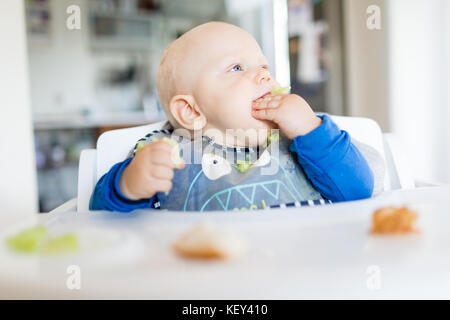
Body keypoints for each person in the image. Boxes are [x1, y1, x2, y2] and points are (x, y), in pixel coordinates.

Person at [90, 22, 385, 212]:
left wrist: (310, 128)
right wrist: (128, 185)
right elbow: (103, 224)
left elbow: (358, 190)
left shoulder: (305, 139)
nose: (264, 75)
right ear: (192, 111)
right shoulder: (170, 156)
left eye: (263, 65)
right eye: (236, 68)